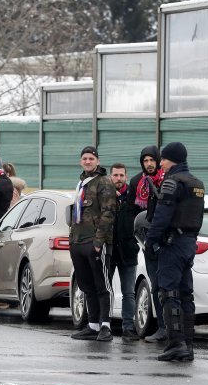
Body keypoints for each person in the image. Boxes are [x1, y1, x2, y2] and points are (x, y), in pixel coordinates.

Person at [144, 142, 204, 362]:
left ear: (173, 160)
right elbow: (198, 218)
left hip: (173, 243)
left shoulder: (172, 182)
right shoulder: (197, 183)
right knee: (185, 293)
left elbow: (162, 217)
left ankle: (175, 343)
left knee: (169, 293)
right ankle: (187, 344)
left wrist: (150, 241)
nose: (161, 164)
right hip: (189, 243)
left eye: (164, 160)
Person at [69, 146, 116, 342]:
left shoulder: (103, 182)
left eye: (91, 159)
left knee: (102, 285)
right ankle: (93, 324)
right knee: (86, 284)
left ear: (97, 161)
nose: (87, 161)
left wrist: (99, 241)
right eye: (84, 158)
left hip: (95, 242)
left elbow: (108, 212)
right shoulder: (82, 183)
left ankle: (105, 325)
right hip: (78, 240)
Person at [128, 145, 167, 343]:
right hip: (147, 243)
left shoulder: (166, 181)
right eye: (145, 161)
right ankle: (162, 326)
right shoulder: (138, 182)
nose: (149, 164)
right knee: (155, 287)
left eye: (152, 160)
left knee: (168, 287)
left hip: (167, 244)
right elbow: (132, 212)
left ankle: (172, 328)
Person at [109, 163, 140, 340]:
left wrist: (136, 243)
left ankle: (128, 327)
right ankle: (104, 324)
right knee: (106, 291)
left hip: (128, 250)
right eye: (115, 175)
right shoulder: (105, 196)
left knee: (128, 292)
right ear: (110, 177)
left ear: (126, 177)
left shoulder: (133, 197)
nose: (118, 179)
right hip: (109, 249)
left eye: (121, 175)